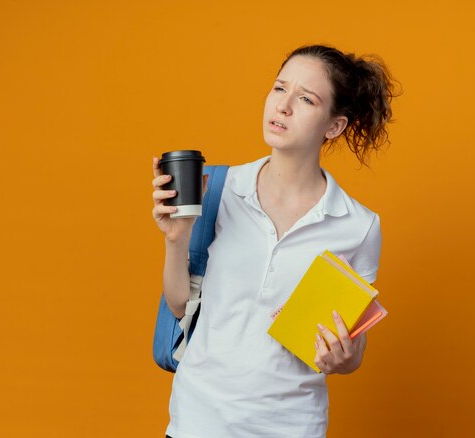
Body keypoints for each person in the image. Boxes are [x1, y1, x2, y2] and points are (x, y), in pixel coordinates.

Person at [151, 44, 399, 438]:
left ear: (333, 126)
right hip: (197, 422)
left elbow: (353, 350)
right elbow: (181, 304)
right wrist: (176, 240)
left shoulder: (358, 225)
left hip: (291, 427)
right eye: (279, 88)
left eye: (305, 98)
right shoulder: (216, 188)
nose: (282, 106)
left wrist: (344, 358)